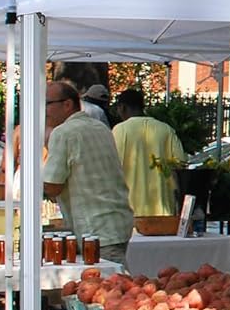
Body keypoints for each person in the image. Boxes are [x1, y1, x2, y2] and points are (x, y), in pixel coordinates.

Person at [43, 79, 135, 265]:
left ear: (67, 104)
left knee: (107, 289)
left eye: (47, 104)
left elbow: (52, 187)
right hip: (116, 223)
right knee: (112, 284)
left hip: (95, 230)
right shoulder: (100, 127)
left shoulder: (63, 133)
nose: (45, 111)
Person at [110, 88, 185, 218]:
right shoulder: (166, 129)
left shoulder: (118, 131)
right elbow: (180, 165)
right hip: (163, 208)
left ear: (122, 107)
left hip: (129, 209)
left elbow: (110, 167)